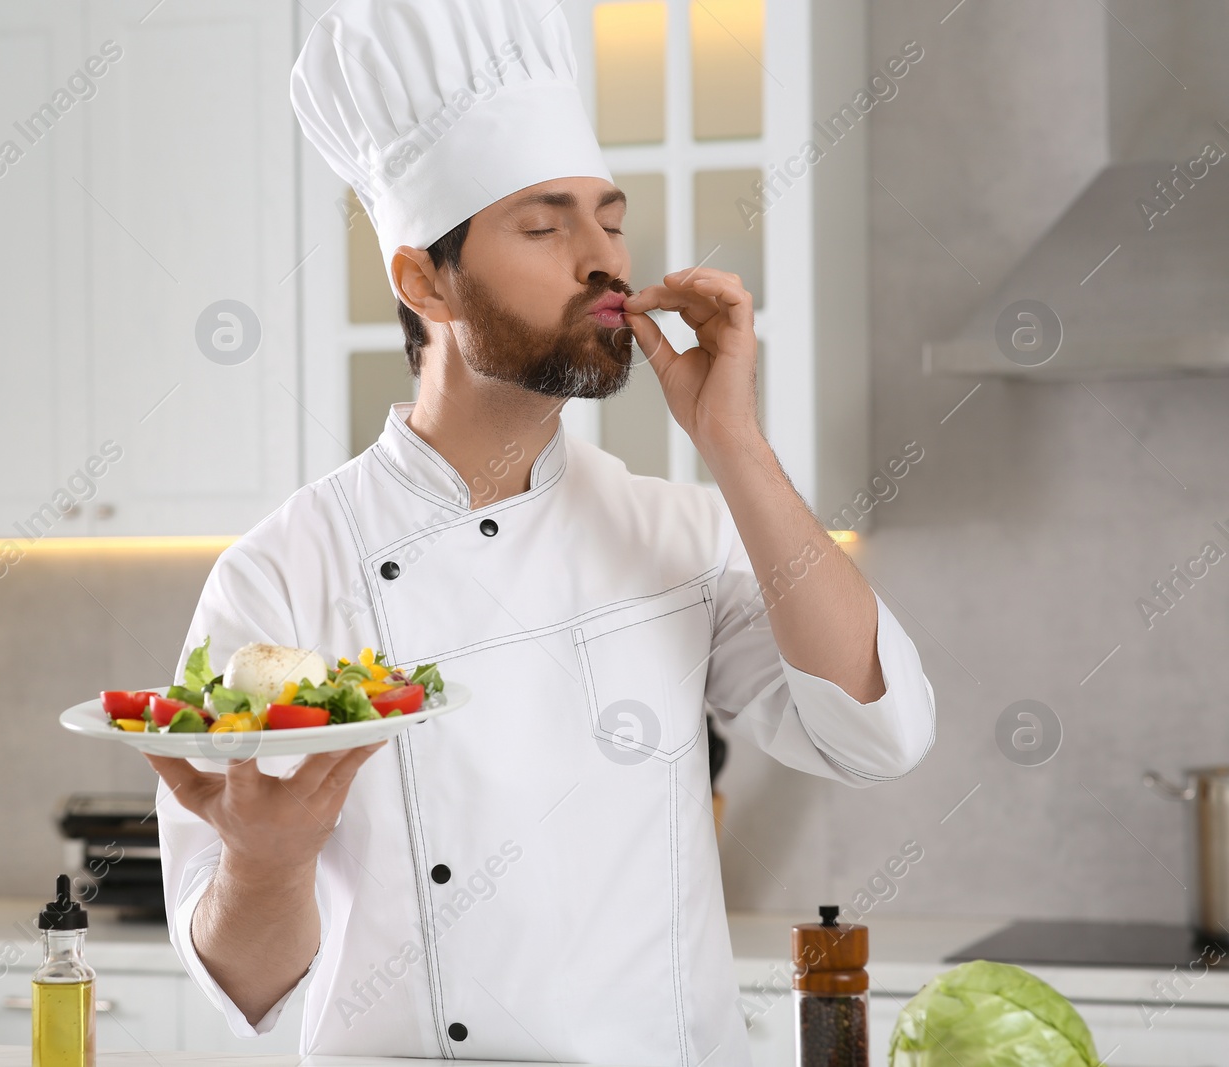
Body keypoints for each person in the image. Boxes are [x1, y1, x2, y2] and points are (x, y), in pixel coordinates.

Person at [147, 1, 935, 1063]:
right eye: (542, 223)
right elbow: (245, 986)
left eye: (608, 217)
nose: (603, 259)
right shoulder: (283, 572)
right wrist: (269, 864)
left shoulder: (676, 528)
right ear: (425, 279)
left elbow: (876, 734)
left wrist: (731, 442)